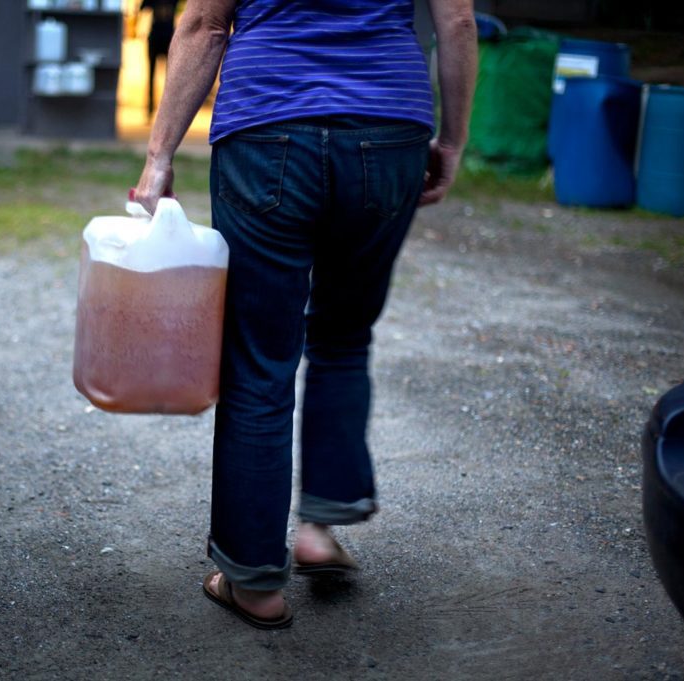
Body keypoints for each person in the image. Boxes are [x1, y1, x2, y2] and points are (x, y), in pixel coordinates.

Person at [133, 0, 477, 629]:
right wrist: (452, 140)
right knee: (344, 336)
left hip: (267, 125)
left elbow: (205, 24)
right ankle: (319, 526)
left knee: (259, 357)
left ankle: (255, 582)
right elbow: (456, 21)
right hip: (387, 126)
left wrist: (159, 158)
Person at [139, 0, 178, 118]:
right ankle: (152, 108)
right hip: (161, 37)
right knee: (155, 76)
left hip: (167, 38)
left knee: (170, 77)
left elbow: (142, 9)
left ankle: (166, 109)